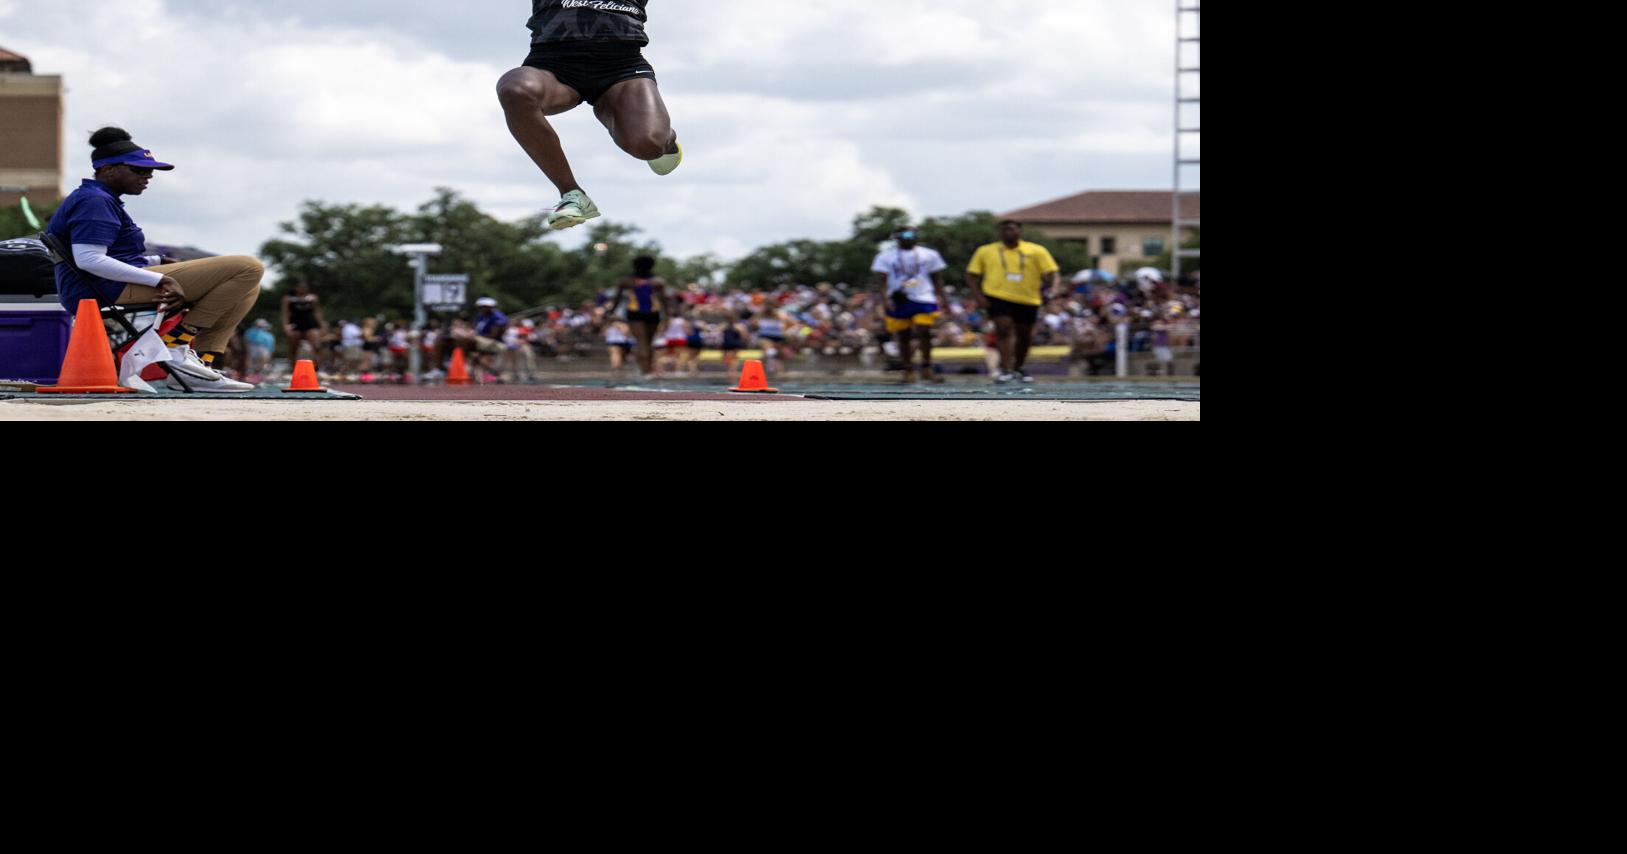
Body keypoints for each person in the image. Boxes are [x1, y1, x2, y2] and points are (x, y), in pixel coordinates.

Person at [46, 127, 261, 392]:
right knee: (249, 267)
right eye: (139, 170)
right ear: (108, 169)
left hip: (107, 284)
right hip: (100, 289)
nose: (148, 176)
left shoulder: (101, 199)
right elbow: (89, 259)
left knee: (250, 285)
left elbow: (118, 257)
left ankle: (200, 363)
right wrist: (160, 277)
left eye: (150, 171)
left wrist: (156, 261)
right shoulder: (95, 201)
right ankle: (174, 347)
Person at [497, 1, 683, 231]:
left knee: (647, 145)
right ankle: (572, 194)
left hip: (621, 67)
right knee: (515, 90)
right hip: (551, 65)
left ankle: (666, 139)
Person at [965, 220, 1060, 383]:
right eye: (1004, 230)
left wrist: (1053, 288)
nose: (1008, 232)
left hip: (1028, 298)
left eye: (1012, 229)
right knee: (1003, 328)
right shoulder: (985, 251)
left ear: (1020, 232)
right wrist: (978, 297)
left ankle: (1019, 367)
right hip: (997, 296)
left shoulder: (1036, 250)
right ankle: (1006, 369)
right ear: (999, 233)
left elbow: (1052, 272)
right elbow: (971, 275)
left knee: (1024, 335)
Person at [871, 228, 949, 383]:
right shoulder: (886, 256)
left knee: (924, 330)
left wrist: (943, 299)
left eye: (913, 235)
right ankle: (908, 370)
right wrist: (885, 300)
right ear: (896, 238)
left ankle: (926, 367)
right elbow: (881, 281)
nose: (909, 238)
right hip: (899, 298)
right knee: (903, 334)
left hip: (925, 296)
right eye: (905, 235)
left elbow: (936, 278)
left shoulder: (929, 254)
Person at [605, 256, 666, 376]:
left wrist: (611, 311)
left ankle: (644, 370)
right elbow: (664, 300)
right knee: (648, 341)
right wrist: (668, 315)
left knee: (641, 341)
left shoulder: (627, 281)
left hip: (635, 313)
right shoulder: (657, 282)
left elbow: (617, 299)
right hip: (653, 313)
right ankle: (648, 369)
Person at [281, 280, 327, 372]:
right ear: (295, 288)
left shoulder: (312, 298)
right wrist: (285, 326)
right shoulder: (288, 299)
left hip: (310, 323)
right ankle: (293, 366)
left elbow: (316, 312)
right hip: (295, 323)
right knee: (293, 347)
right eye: (300, 287)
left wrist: (322, 325)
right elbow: (285, 313)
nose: (303, 289)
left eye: (304, 287)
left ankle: (317, 366)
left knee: (316, 345)